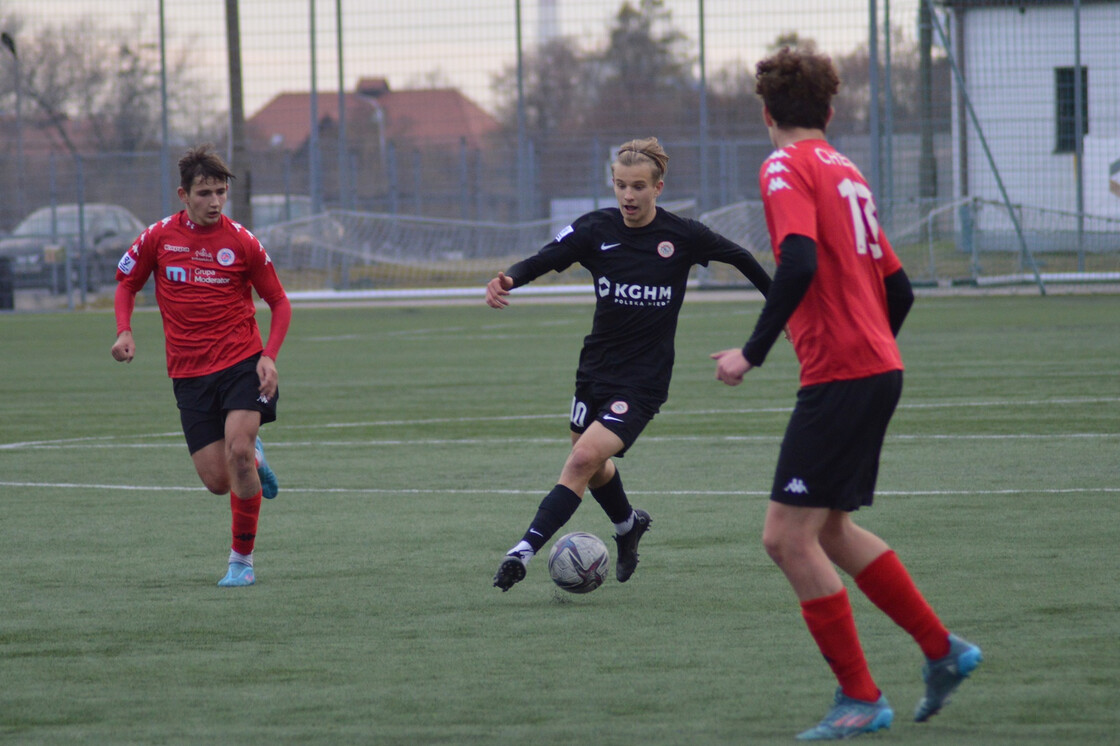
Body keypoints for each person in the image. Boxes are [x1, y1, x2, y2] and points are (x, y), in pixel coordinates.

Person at [710, 49, 981, 740]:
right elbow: (900, 289)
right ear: (829, 113)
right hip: (875, 367)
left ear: (766, 114)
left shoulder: (783, 167)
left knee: (785, 538)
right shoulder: (847, 172)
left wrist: (753, 351)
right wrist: (869, 347)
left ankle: (861, 696)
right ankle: (942, 650)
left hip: (843, 373)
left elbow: (796, 260)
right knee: (828, 529)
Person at [487, 137, 773, 592]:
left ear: (659, 187)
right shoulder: (595, 230)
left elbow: (742, 258)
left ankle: (522, 551)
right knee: (596, 464)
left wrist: (781, 310)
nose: (628, 196)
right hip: (595, 369)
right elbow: (545, 258)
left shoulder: (682, 236)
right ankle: (627, 526)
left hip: (643, 381)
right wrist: (509, 279)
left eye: (638, 186)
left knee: (581, 458)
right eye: (620, 185)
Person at [111, 144, 291, 588]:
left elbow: (279, 301)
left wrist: (268, 354)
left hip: (240, 363)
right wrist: (124, 330)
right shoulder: (158, 237)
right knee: (216, 480)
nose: (214, 201)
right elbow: (126, 282)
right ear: (183, 195)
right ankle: (253, 454)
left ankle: (241, 562)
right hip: (188, 373)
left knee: (238, 454)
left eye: (220, 192)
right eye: (205, 192)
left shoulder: (242, 242)